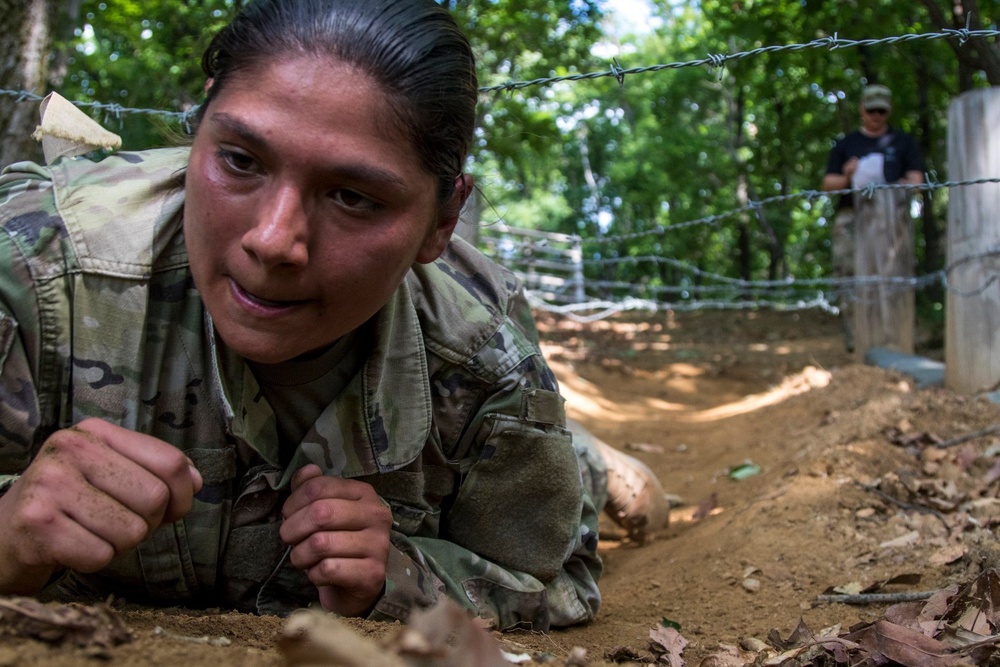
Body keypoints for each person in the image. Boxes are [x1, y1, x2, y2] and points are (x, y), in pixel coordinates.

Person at [0, 0, 619, 631]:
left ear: (441, 221)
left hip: (484, 425)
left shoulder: (488, 363)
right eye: (240, 160)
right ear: (201, 119)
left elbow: (560, 580)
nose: (272, 240)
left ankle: (596, 457)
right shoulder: (34, 272)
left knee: (587, 472)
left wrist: (400, 575)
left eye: (352, 197)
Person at [821, 84, 924, 352]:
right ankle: (856, 337)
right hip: (851, 219)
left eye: (881, 111)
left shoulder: (903, 142)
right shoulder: (846, 144)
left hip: (890, 220)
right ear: (861, 110)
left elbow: (917, 181)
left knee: (892, 275)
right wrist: (847, 175)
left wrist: (899, 184)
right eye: (871, 110)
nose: (876, 115)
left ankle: (893, 336)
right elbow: (828, 183)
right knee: (848, 275)